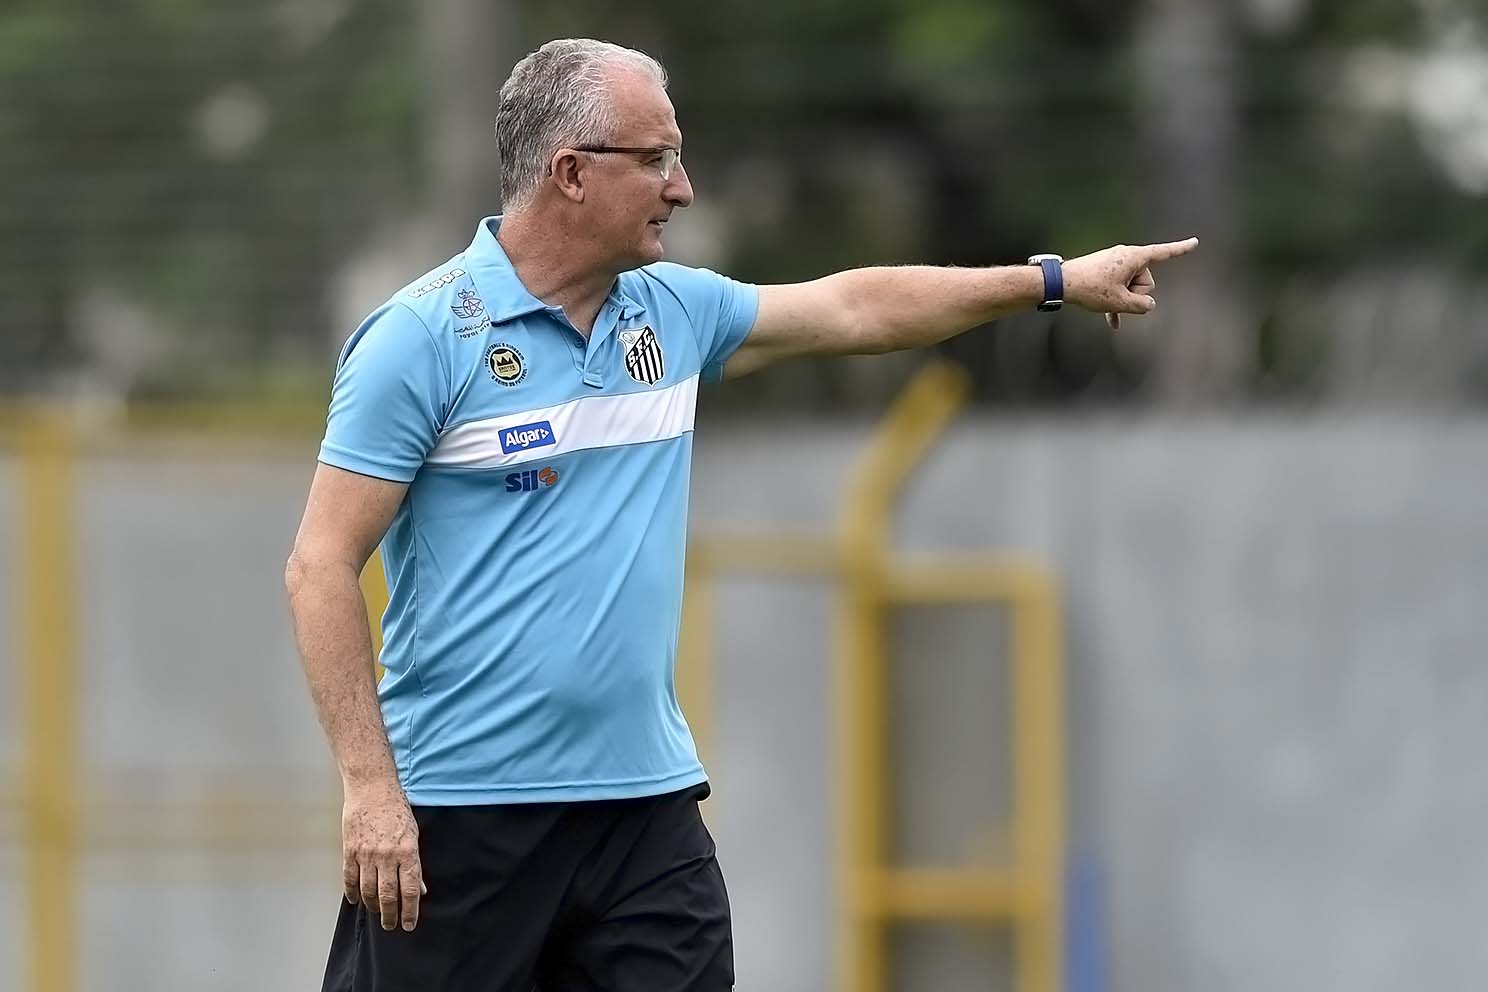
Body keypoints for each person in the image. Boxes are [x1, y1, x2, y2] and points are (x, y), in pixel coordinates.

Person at [284, 37, 1197, 992]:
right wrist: (370, 789)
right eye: (656, 159)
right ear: (572, 173)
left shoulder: (672, 312)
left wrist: (1051, 281)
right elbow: (318, 566)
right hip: (463, 810)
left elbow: (856, 309)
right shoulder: (421, 339)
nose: (681, 189)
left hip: (643, 810)